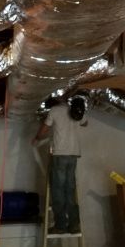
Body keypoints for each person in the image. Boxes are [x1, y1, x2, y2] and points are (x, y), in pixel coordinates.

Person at [33, 94, 88, 234]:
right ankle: (74, 224)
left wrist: (37, 138)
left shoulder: (55, 111)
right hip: (74, 154)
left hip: (60, 154)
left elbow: (44, 129)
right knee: (70, 189)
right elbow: (85, 122)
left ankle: (61, 225)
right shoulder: (74, 109)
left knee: (58, 190)